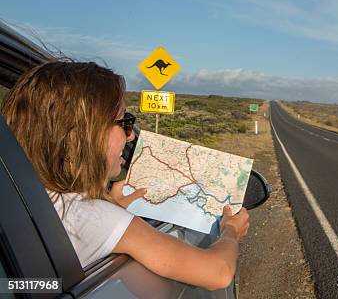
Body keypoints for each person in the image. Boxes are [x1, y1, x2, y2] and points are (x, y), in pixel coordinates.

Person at [1, 61, 249, 290]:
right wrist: (230, 232)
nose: (130, 136)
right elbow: (218, 272)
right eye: (125, 123)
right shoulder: (92, 216)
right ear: (86, 135)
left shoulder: (24, 200)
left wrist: (113, 203)